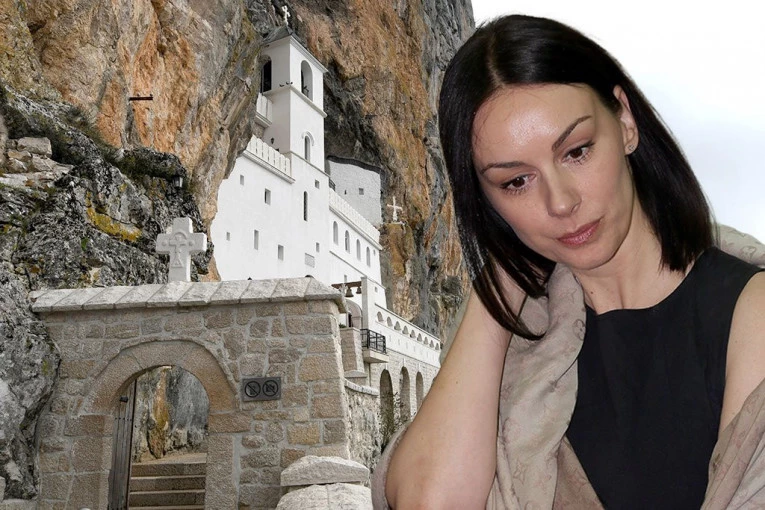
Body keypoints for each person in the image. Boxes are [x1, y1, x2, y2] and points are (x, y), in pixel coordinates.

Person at [372, 14, 765, 510]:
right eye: (516, 182)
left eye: (576, 151)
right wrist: (501, 281)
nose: (560, 202)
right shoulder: (515, 335)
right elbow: (431, 502)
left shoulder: (747, 311)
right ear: (486, 200)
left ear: (625, 122)